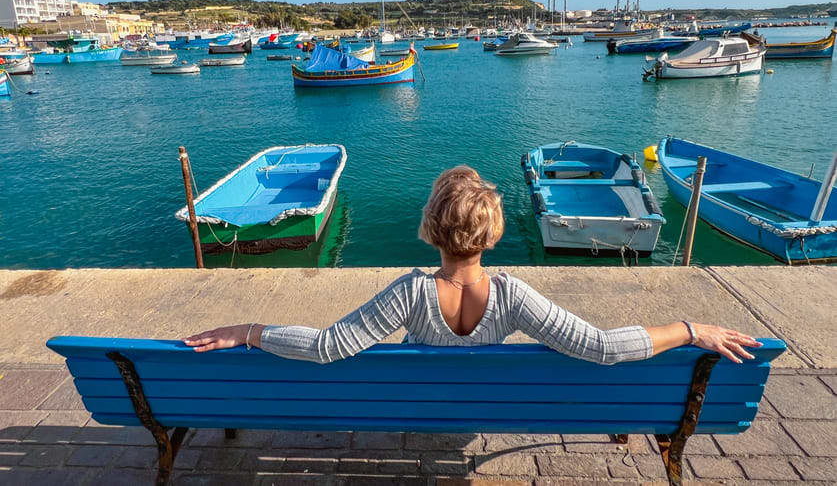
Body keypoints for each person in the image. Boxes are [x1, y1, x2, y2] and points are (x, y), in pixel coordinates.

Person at [185, 166, 761, 364]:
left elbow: (325, 347)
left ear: (432, 228)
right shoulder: (512, 295)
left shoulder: (410, 292)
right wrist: (690, 329)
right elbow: (604, 348)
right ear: (493, 232)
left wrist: (249, 332)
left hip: (416, 408)